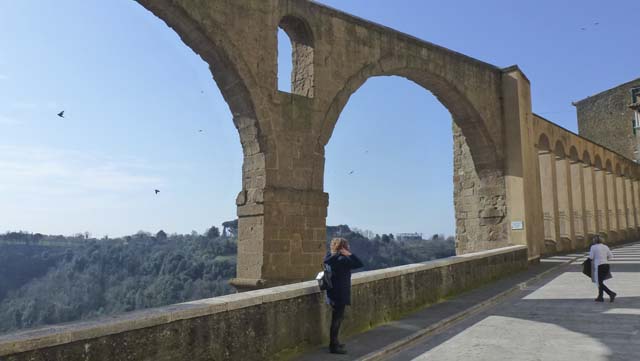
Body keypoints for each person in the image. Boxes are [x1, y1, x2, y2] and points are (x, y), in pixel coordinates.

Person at [323, 238, 364, 354]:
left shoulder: (329, 257)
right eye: (347, 246)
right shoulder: (342, 260)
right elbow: (359, 264)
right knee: (337, 320)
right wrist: (349, 254)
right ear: (343, 248)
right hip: (340, 294)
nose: (349, 247)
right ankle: (333, 346)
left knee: (336, 319)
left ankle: (335, 342)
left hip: (332, 293)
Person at [588, 235, 617, 302]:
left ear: (594, 241)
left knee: (598, 282)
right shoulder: (605, 246)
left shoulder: (593, 247)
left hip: (599, 266)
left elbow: (591, 257)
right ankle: (600, 297)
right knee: (600, 281)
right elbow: (611, 256)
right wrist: (604, 258)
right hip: (606, 265)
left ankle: (611, 293)